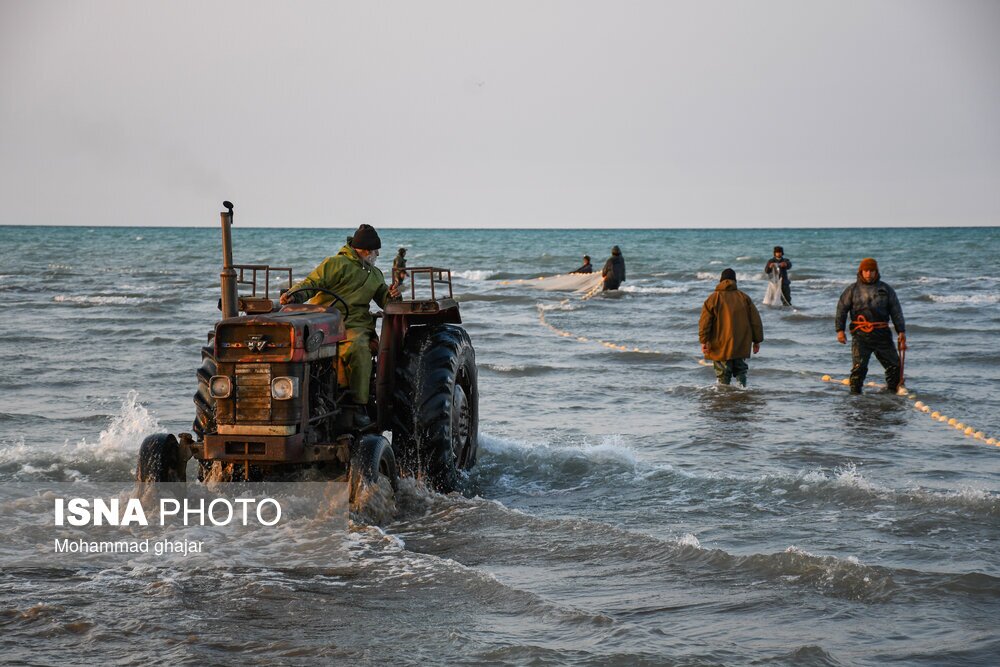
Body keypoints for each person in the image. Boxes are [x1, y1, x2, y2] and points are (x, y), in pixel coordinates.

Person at [279, 224, 400, 420]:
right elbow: (312, 282)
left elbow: (385, 301)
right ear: (367, 250)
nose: (377, 254)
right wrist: (294, 295)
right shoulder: (335, 264)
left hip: (356, 326)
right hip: (326, 322)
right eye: (376, 250)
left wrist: (392, 295)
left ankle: (358, 406)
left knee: (358, 348)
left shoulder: (375, 274)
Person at [835, 257, 906, 394]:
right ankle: (855, 396)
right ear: (861, 272)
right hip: (860, 335)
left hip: (882, 334)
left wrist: (901, 331)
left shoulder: (886, 289)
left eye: (872, 271)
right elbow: (841, 309)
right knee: (859, 368)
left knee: (895, 367)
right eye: (866, 271)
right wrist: (840, 330)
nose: (869, 274)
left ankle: (891, 394)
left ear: (876, 272)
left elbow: (896, 311)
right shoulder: (852, 290)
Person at [699, 268, 764, 387]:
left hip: (720, 344)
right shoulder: (744, 298)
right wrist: (757, 340)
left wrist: (704, 341)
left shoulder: (713, 298)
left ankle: (724, 399)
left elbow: (705, 322)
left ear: (721, 280)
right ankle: (742, 393)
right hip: (741, 343)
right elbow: (755, 321)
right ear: (735, 281)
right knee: (740, 371)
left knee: (723, 373)